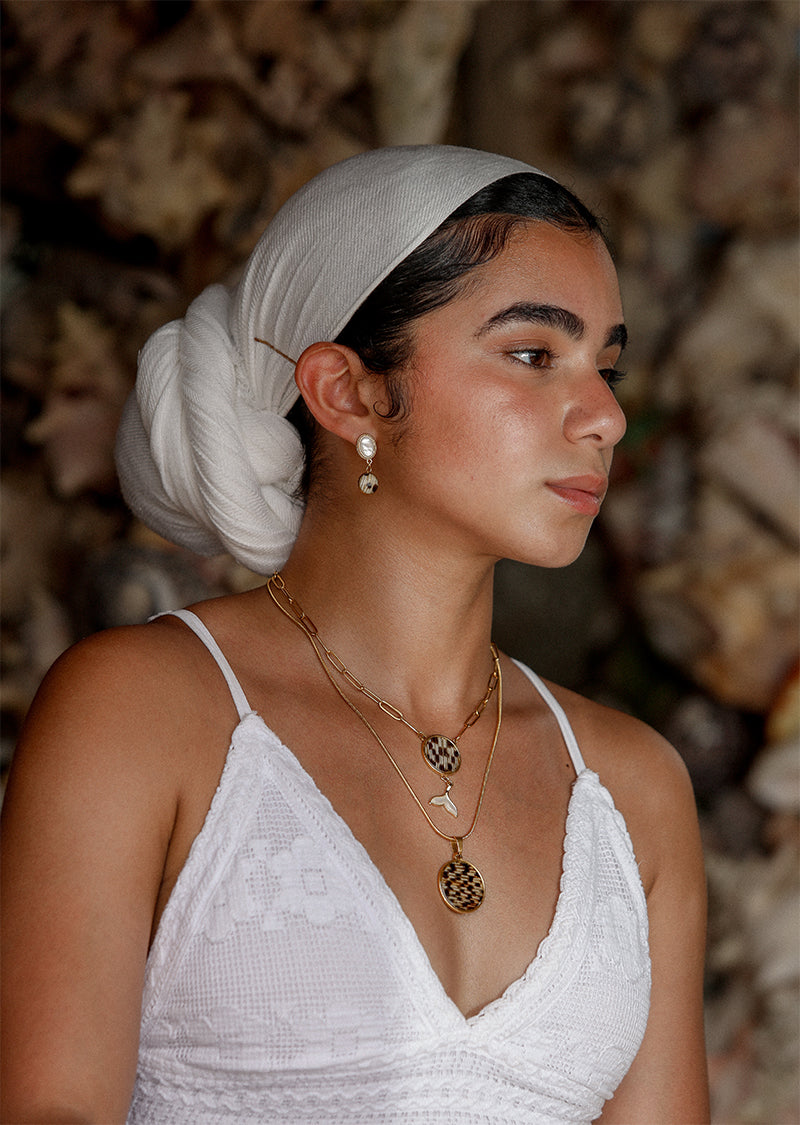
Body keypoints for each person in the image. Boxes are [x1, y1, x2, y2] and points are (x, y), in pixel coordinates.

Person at [1, 145, 709, 1124]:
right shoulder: (144, 711)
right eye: (532, 355)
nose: (603, 416)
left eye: (606, 367)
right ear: (347, 392)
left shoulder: (633, 788)